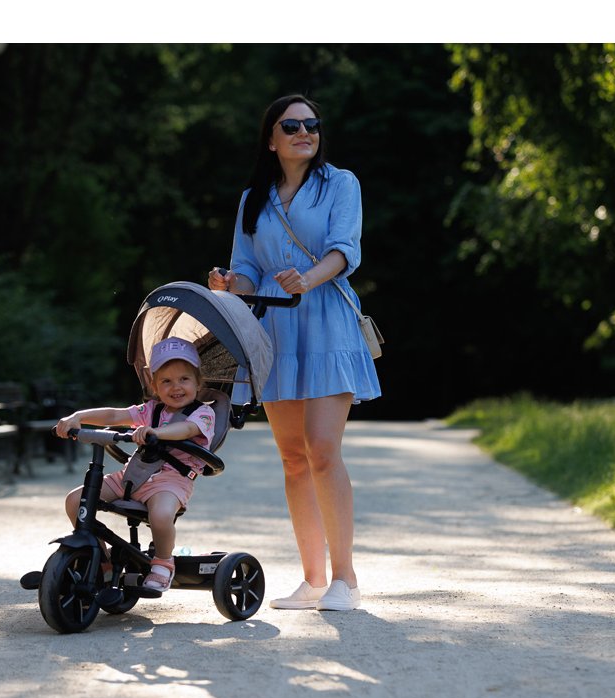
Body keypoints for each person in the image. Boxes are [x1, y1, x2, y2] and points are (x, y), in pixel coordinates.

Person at [208, 94, 381, 611]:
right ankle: (312, 580)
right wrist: (227, 283)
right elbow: (247, 269)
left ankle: (345, 580)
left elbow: (344, 251)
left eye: (312, 124)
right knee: (292, 459)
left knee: (323, 450)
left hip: (326, 322)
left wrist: (306, 279)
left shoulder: (341, 184)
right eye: (291, 126)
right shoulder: (253, 198)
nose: (305, 132)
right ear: (271, 139)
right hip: (275, 330)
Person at [53, 337, 216, 592]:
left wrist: (156, 433)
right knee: (76, 501)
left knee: (161, 516)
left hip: (171, 481)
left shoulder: (203, 413)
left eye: (184, 379)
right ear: (155, 386)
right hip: (133, 475)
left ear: (198, 382)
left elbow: (187, 429)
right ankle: (101, 560)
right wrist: (78, 417)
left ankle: (163, 563)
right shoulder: (150, 410)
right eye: (166, 381)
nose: (176, 387)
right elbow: (114, 415)